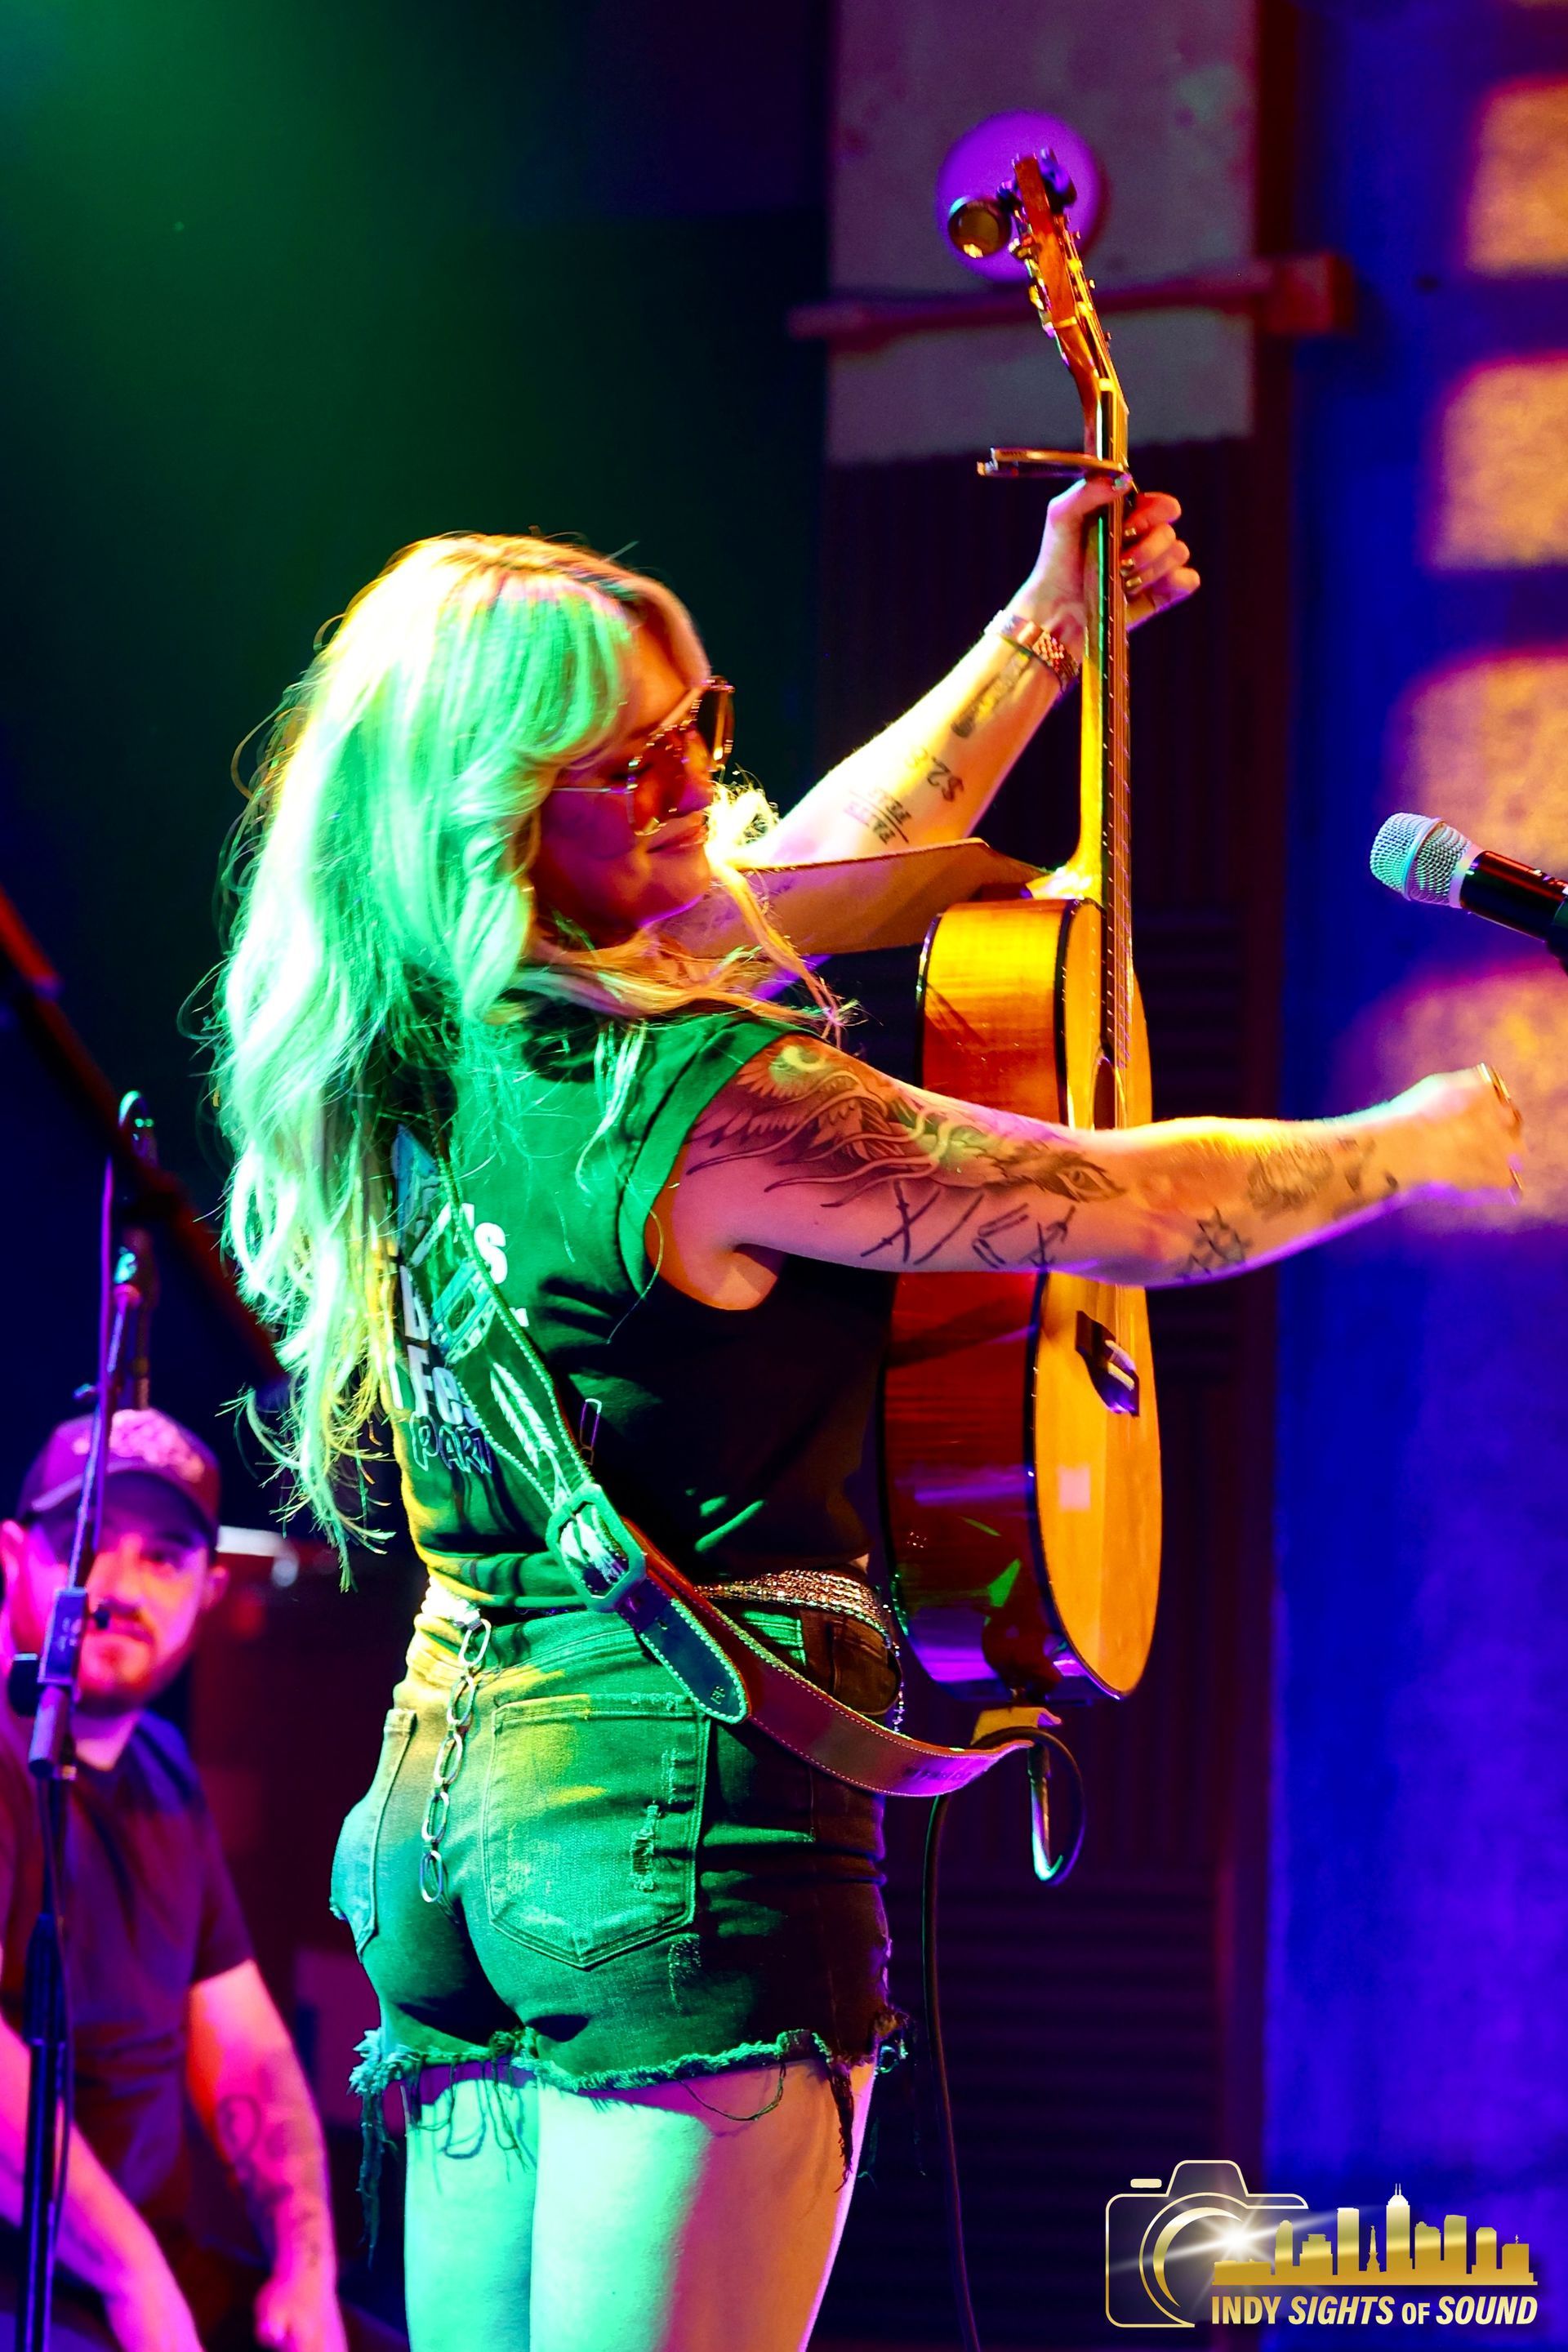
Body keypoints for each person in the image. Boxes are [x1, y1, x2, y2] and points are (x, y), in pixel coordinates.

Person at [212, 479, 1522, 2352]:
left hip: (444, 1821)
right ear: (491, 815)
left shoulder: (408, 1036)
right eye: (626, 765)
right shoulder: (703, 1099)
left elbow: (807, 873)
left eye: (698, 728)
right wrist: (1424, 1136)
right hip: (676, 1831)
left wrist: (1041, 638)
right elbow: (1135, 1207)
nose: (691, 788)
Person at [0, 1408, 359, 2352]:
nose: (119, 1587)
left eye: (163, 1558)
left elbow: (245, 2047)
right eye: (87, 1544)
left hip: (144, 2273)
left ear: (206, 1593)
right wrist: (134, 2278)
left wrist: (306, 2269)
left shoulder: (163, 1768)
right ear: (12, 1557)